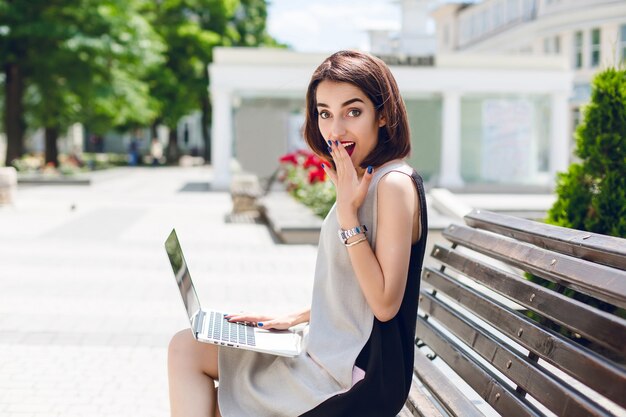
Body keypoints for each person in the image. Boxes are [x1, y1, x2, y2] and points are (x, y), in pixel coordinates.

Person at [167, 50, 428, 417]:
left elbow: (384, 304)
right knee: (188, 347)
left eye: (353, 111)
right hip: (329, 352)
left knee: (195, 363)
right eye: (325, 113)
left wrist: (348, 214)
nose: (336, 130)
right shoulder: (364, 177)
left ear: (383, 114)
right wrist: (295, 317)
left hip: (357, 377)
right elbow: (356, 290)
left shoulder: (393, 185)